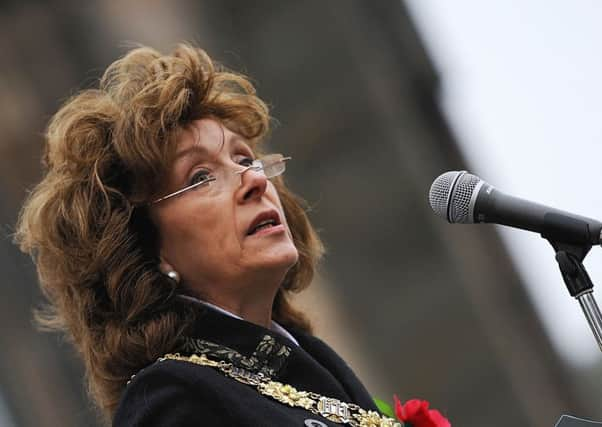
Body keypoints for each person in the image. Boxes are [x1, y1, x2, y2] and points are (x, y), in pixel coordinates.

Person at [15, 44, 401, 427]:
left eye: (245, 159)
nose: (253, 179)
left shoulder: (313, 361)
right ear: (146, 247)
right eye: (200, 177)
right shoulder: (172, 403)